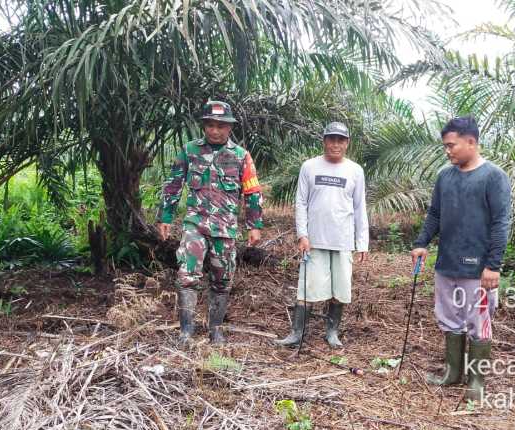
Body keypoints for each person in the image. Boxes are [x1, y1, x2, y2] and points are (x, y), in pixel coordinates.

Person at [411, 116, 511, 401]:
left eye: (451, 145)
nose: (447, 151)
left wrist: (493, 265)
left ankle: (476, 383)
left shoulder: (493, 177)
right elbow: (435, 214)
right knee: (449, 319)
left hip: (478, 269)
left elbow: (501, 223)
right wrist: (421, 243)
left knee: (479, 322)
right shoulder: (445, 176)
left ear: (471, 141)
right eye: (445, 146)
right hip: (447, 264)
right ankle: (452, 373)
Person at [157, 100, 263, 345]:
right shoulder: (189, 151)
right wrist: (165, 217)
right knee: (187, 274)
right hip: (195, 224)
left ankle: (215, 329)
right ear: (204, 126)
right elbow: (174, 184)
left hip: (225, 228)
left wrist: (254, 225)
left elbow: (252, 192)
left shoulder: (241, 156)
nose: (215, 130)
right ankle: (186, 330)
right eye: (211, 125)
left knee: (222, 279)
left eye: (221, 126)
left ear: (230, 128)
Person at [275, 122, 369, 349]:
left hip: (343, 240)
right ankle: (297, 333)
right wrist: (302, 234)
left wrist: (362, 242)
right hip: (314, 240)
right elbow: (301, 202)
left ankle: (332, 332)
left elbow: (359, 207)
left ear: (347, 143)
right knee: (307, 287)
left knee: (340, 289)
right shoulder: (309, 167)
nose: (335, 144)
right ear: (324, 141)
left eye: (341, 140)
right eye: (331, 139)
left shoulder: (355, 170)